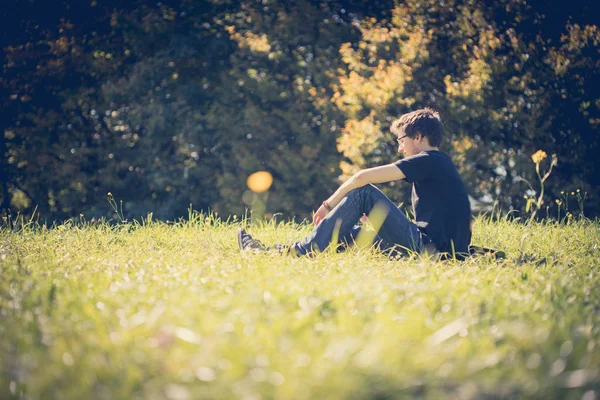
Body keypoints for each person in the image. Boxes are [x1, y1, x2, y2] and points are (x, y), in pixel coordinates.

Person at [237, 108, 472, 259]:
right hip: (434, 249)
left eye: (401, 140)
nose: (400, 148)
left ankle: (298, 252)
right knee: (350, 234)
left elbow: (360, 178)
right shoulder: (441, 164)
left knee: (363, 193)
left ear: (418, 137)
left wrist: (328, 205)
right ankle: (271, 253)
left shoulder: (428, 160)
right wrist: (381, 220)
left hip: (430, 252)